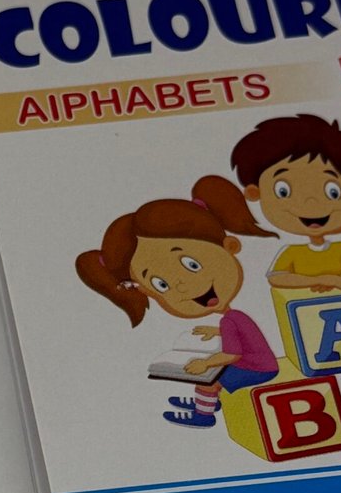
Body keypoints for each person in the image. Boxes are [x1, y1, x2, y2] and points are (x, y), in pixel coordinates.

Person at [76, 174, 279, 427]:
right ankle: (207, 402)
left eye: (191, 264)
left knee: (208, 378)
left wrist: (205, 362)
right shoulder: (232, 318)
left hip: (259, 368)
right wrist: (215, 332)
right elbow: (242, 337)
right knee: (207, 376)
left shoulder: (231, 319)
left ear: (229, 246)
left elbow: (232, 354)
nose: (181, 286)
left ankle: (203, 415)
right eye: (161, 284)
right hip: (256, 362)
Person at [230, 113, 341, 291]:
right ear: (254, 193)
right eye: (283, 191)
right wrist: (320, 280)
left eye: (333, 192)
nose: (310, 203)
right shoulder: (292, 253)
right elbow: (277, 278)